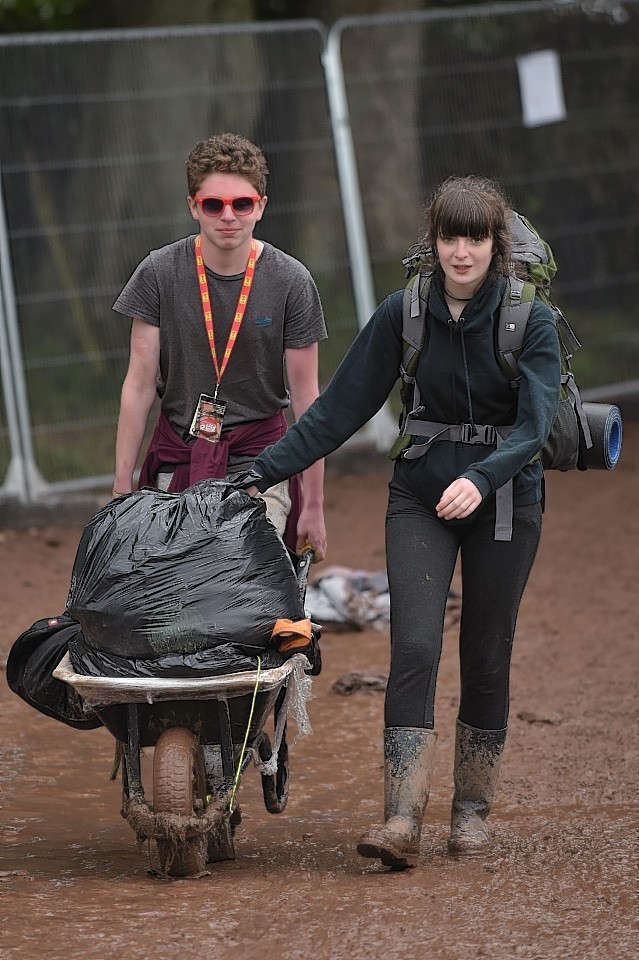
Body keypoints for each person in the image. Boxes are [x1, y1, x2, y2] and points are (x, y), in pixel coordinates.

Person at [241, 175, 561, 867]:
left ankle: (470, 812)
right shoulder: (404, 312)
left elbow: (534, 426)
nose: (462, 252)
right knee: (413, 648)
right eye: (450, 237)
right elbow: (335, 410)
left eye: (475, 238)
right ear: (434, 241)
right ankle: (399, 819)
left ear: (493, 244)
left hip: (505, 500)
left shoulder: (527, 319)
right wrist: (257, 474)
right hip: (418, 496)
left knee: (485, 653)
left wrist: (479, 479)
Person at [111, 132, 328, 560]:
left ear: (261, 206)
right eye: (214, 204)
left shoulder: (291, 280)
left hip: (261, 460)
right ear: (194, 206)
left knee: (241, 579)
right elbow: (138, 386)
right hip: (179, 452)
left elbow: (307, 400)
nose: (228, 216)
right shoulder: (158, 272)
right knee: (169, 592)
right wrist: (121, 488)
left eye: (241, 204)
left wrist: (316, 506)